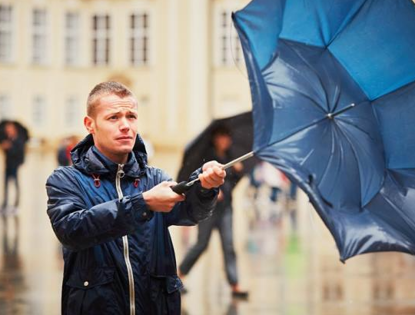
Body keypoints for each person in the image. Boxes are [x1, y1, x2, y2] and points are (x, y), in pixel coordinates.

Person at [45, 81, 226, 315]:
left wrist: (204, 187)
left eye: (131, 116)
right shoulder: (66, 179)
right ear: (90, 124)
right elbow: (71, 230)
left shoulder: (154, 178)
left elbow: (190, 213)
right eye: (113, 118)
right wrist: (142, 203)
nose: (125, 126)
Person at [178, 126, 249, 299]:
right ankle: (179, 276)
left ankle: (235, 284)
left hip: (226, 209)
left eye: (227, 137)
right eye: (222, 137)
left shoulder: (230, 157)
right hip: (208, 210)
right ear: (215, 138)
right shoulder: (206, 156)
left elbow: (232, 183)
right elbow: (195, 180)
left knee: (229, 245)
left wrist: (239, 172)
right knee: (202, 244)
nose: (225, 141)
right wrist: (211, 191)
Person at [1, 121, 27, 211]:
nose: (7, 130)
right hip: (8, 165)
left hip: (15, 166)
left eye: (9, 129)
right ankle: (5, 204)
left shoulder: (19, 139)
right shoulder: (8, 138)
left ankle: (16, 205)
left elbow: (19, 153)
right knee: (6, 185)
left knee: (16, 185)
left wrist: (10, 147)